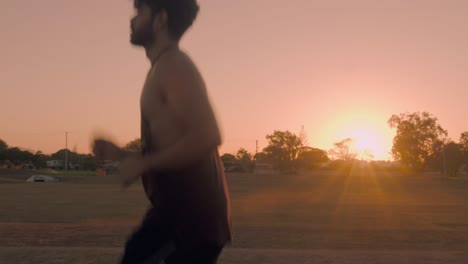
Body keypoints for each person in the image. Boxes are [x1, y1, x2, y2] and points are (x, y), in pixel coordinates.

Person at [92, 0, 231, 262]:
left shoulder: (172, 65)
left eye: (140, 11)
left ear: (160, 20)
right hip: (178, 215)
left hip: (188, 220)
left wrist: (144, 163)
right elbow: (175, 143)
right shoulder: (163, 67)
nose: (132, 19)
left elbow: (208, 135)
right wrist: (122, 154)